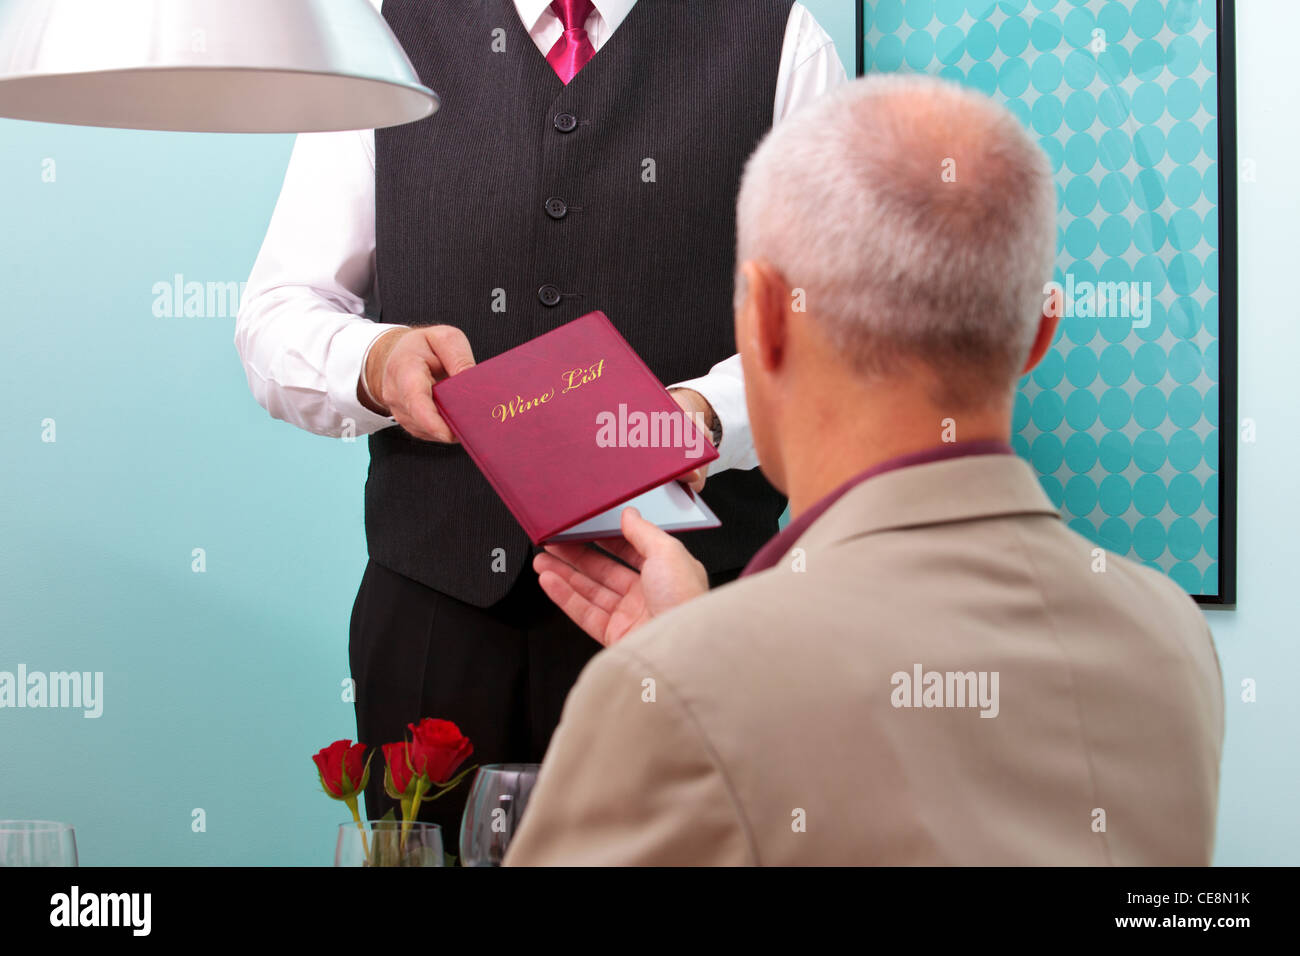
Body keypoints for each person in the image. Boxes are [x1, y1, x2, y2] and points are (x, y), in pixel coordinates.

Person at [504, 74, 1226, 866]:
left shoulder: (668, 696)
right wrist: (692, 651)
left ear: (766, 320)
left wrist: (684, 672)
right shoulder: (1170, 637)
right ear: (1039, 336)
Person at [233, 0, 846, 851]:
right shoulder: (384, 29)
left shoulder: (782, 39)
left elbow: (833, 335)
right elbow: (277, 312)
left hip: (686, 616)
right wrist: (376, 363)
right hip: (435, 619)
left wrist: (701, 417)